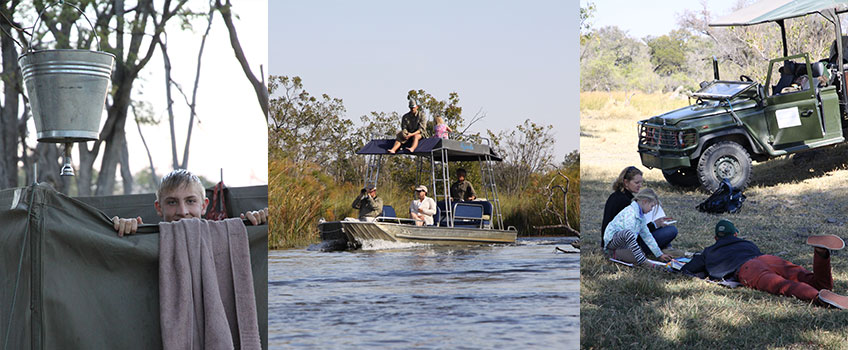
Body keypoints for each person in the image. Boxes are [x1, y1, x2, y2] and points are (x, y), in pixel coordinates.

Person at [681, 219, 848, 309]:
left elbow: (687, 270)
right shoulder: (747, 243)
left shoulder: (710, 250)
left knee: (782, 285)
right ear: (736, 234)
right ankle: (821, 254)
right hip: (767, 258)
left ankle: (818, 298)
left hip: (748, 269)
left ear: (716, 238)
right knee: (808, 277)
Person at [112, 169, 269, 237]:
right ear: (158, 208)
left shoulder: (229, 234)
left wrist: (259, 221)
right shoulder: (145, 239)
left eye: (190, 201)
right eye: (172, 202)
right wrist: (123, 229)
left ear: (204, 205)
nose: (182, 211)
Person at [601, 166, 677, 254]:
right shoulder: (625, 202)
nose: (640, 186)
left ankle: (664, 248)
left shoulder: (620, 196)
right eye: (637, 182)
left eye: (641, 182)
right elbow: (635, 231)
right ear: (626, 182)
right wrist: (654, 224)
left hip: (621, 238)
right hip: (624, 243)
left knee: (664, 230)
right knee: (671, 230)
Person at [603, 188, 672, 265]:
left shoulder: (640, 216)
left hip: (623, 244)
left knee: (636, 251)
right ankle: (642, 261)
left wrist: (659, 254)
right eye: (651, 206)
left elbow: (647, 236)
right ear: (644, 202)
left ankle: (622, 256)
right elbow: (629, 236)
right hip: (613, 241)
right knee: (628, 234)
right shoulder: (631, 213)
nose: (651, 209)